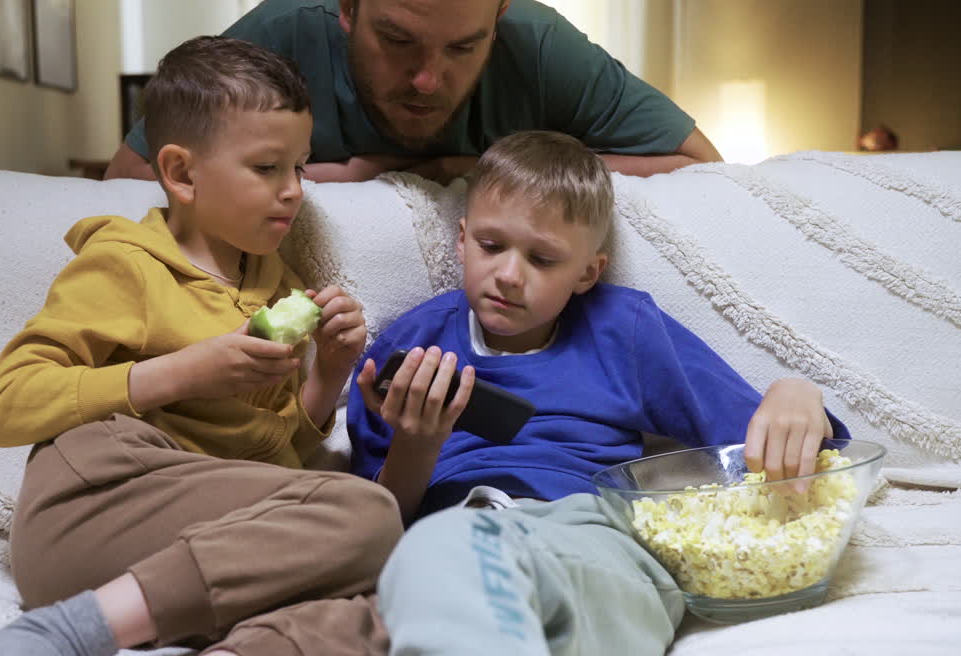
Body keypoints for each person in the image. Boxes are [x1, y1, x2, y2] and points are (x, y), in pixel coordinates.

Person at [0, 36, 402, 656]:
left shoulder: (282, 288)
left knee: (381, 593)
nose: (295, 189)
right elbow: (4, 407)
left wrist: (330, 372)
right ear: (182, 174)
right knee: (370, 515)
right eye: (267, 168)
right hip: (93, 508)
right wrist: (181, 373)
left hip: (199, 544)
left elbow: (275, 461)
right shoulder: (125, 267)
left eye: (300, 165)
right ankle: (63, 635)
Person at [347, 130, 850, 655]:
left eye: (542, 260)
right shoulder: (409, 346)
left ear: (588, 271)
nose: (510, 275)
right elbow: (381, 519)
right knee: (438, 552)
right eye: (491, 246)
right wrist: (418, 444)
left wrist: (796, 392)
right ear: (462, 238)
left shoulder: (623, 330)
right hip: (453, 531)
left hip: (592, 533)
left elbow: (771, 443)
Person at [105, 0, 721, 184]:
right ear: (348, 5)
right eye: (397, 40)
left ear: (497, 20)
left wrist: (459, 169)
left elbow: (702, 169)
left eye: (463, 46)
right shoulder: (284, 32)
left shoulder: (537, 45)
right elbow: (127, 181)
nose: (429, 80)